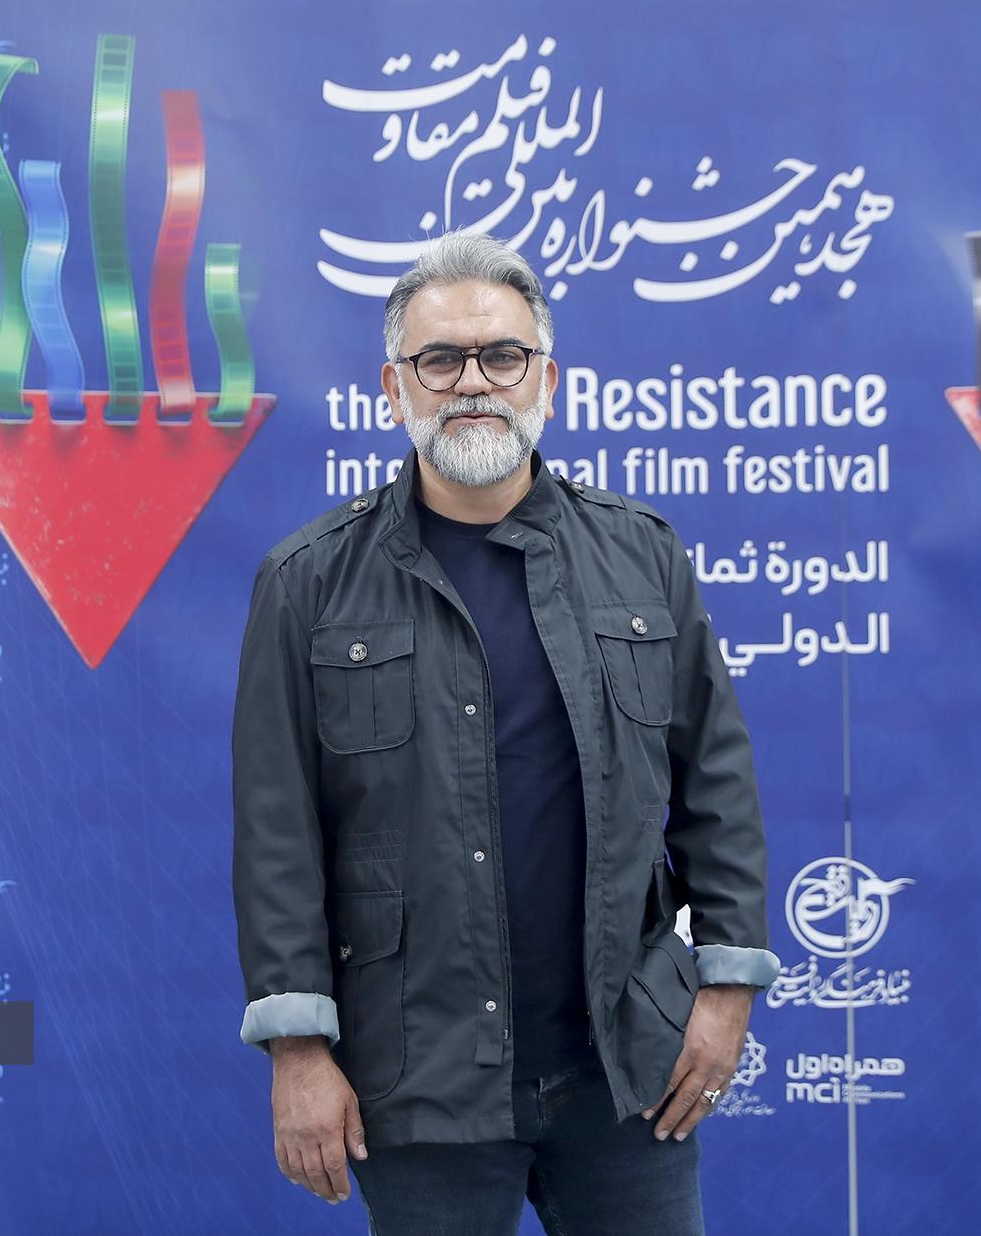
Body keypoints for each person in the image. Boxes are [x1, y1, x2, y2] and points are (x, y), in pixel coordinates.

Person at [230, 231, 778, 1235]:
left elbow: (718, 786)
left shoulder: (643, 557)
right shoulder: (307, 583)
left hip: (625, 1069)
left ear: (547, 381)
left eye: (502, 355)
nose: (473, 381)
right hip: (417, 1076)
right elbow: (277, 839)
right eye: (440, 359)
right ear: (394, 388)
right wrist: (297, 1050)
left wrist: (726, 990)